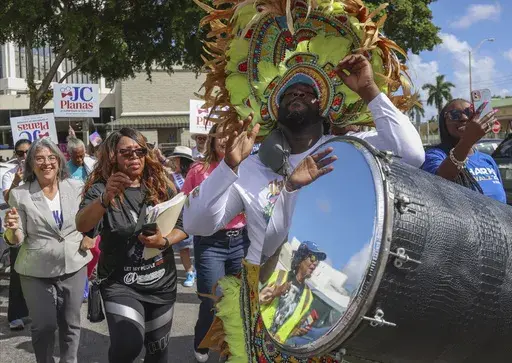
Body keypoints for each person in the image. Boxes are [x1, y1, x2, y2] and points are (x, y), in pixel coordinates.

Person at [184, 1, 424, 361]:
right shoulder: (250, 166)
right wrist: (228, 167)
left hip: (331, 304)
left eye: (306, 92)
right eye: (288, 93)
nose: (297, 96)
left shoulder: (348, 150)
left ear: (322, 104)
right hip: (261, 297)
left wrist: (371, 90)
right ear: (274, 108)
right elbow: (197, 224)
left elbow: (412, 155)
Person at [76, 127, 188, 363]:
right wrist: (106, 198)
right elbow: (82, 224)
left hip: (161, 284)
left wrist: (164, 241)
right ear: (113, 156)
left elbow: (182, 224)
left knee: (158, 351)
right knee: (128, 345)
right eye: (126, 153)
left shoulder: (162, 185)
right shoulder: (101, 188)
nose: (134, 158)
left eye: (139, 151)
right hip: (120, 282)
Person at [3, 138, 92, 363]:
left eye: (52, 158)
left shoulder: (76, 187)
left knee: (71, 324)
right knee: (44, 326)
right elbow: (17, 239)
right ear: (31, 163)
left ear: (60, 161)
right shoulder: (20, 194)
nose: (47, 163)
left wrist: (91, 235)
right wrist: (12, 230)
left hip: (74, 262)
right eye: (40, 158)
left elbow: (89, 219)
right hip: (35, 268)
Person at [182, 124, 250, 362]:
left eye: (231, 134)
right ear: (211, 139)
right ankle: (202, 339)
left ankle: (229, 349)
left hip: (241, 241)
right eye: (221, 134)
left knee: (236, 302)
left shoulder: (250, 167)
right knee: (212, 300)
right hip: (210, 243)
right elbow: (186, 205)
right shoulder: (198, 169)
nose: (226, 139)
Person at [421, 99, 506, 203]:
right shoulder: (435, 155)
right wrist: (467, 141)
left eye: (469, 113)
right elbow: (438, 183)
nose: (464, 118)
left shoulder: (487, 160)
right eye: (455, 114)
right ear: (444, 123)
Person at [260, 241, 325, 344]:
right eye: (312, 257)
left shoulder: (308, 297)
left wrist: (297, 331)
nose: (315, 263)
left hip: (273, 346)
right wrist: (274, 293)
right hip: (257, 331)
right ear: (300, 258)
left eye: (318, 261)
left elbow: (290, 329)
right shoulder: (280, 276)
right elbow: (254, 300)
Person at [2, 138, 31, 330]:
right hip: (18, 228)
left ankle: (35, 310)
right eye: (20, 153)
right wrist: (16, 180)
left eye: (28, 152)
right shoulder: (9, 174)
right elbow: (7, 198)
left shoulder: (40, 171)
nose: (25, 156)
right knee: (17, 270)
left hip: (37, 227)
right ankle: (15, 314)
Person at [168, 146, 197, 288]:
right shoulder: (170, 177)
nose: (172, 162)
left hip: (196, 217)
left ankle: (198, 268)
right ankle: (189, 271)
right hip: (180, 218)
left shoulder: (196, 174)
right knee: (183, 248)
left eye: (174, 160)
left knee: (199, 247)